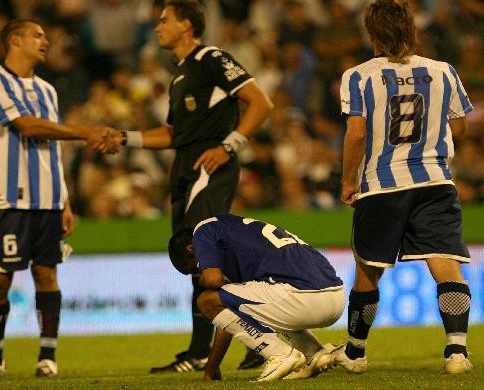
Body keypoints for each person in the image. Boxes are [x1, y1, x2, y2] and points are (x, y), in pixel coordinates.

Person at [114, 0, 273, 372]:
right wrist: (124, 137)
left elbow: (260, 103)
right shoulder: (180, 75)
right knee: (195, 260)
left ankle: (258, 338)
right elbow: (172, 134)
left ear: (187, 25)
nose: (157, 27)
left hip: (208, 166)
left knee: (205, 255)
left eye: (164, 20)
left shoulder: (212, 58)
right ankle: (205, 350)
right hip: (185, 169)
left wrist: (229, 146)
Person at [0, 19, 118, 378]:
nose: (46, 40)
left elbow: (53, 149)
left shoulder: (48, 91)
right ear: (15, 40)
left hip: (49, 201)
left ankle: (47, 356)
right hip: (6, 199)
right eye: (38, 34)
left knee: (47, 275)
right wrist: (85, 132)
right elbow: (25, 125)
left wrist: (65, 200)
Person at [337, 0, 474, 375]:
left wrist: (348, 180)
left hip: (382, 184)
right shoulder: (444, 71)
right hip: (435, 181)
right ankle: (457, 352)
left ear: (372, 34)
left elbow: (357, 133)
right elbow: (460, 128)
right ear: (412, 30)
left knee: (368, 270)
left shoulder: (359, 75)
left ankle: (355, 353)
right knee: (447, 266)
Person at [168, 213, 345, 381]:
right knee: (261, 301)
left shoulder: (203, 230)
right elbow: (230, 318)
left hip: (302, 296)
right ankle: (314, 353)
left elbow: (213, 280)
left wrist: (205, 280)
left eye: (195, 269)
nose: (199, 273)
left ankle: (278, 354)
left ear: (191, 248)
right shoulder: (238, 236)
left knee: (205, 300)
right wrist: (211, 369)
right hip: (336, 297)